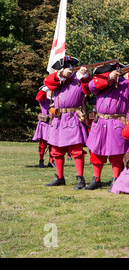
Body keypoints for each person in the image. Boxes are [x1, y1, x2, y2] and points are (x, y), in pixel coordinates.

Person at [83, 62, 129, 191]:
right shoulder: (101, 82)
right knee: (96, 152)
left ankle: (116, 179)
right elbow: (91, 86)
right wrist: (109, 78)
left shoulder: (124, 83)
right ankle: (96, 178)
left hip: (117, 121)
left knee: (116, 154)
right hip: (100, 121)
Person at [43, 56, 91, 189]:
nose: (69, 70)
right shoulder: (58, 80)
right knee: (57, 151)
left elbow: (89, 87)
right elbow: (47, 82)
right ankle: (59, 177)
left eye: (69, 67)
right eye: (65, 68)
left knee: (76, 151)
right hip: (58, 118)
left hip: (73, 117)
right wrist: (61, 74)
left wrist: (85, 75)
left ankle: (80, 179)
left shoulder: (79, 79)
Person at [32, 85, 54, 168]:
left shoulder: (57, 100)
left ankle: (51, 161)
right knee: (42, 144)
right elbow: (39, 97)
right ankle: (41, 160)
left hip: (54, 124)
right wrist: (47, 87)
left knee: (53, 144)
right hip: (45, 125)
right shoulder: (44, 100)